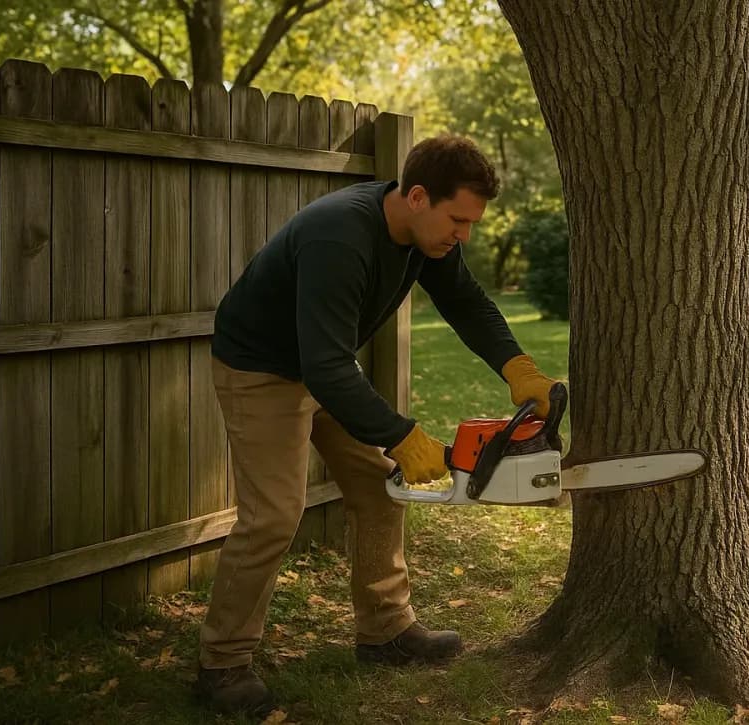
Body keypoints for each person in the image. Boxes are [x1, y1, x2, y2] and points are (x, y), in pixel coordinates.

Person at [193, 134, 560, 715]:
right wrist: (400, 434)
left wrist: (520, 369)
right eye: (457, 220)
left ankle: (385, 631)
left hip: (327, 365)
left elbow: (467, 303)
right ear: (417, 196)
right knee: (274, 516)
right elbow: (324, 365)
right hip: (261, 369)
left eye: (470, 223)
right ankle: (222, 664)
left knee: (381, 489)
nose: (463, 235)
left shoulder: (428, 241)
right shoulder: (340, 235)